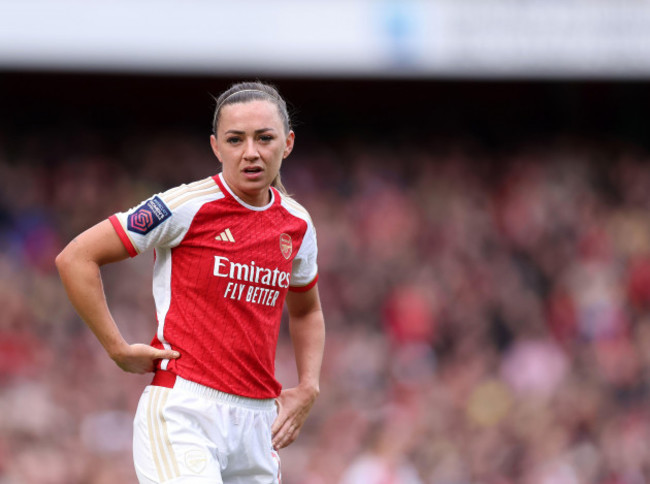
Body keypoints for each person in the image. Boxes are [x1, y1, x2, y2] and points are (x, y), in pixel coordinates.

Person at [55, 81, 325, 483]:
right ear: (216, 147)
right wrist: (117, 348)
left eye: (264, 138)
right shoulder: (184, 206)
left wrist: (308, 386)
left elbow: (306, 310)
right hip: (185, 410)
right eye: (236, 139)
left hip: (257, 424)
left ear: (287, 143)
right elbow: (76, 257)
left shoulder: (297, 223)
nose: (250, 152)